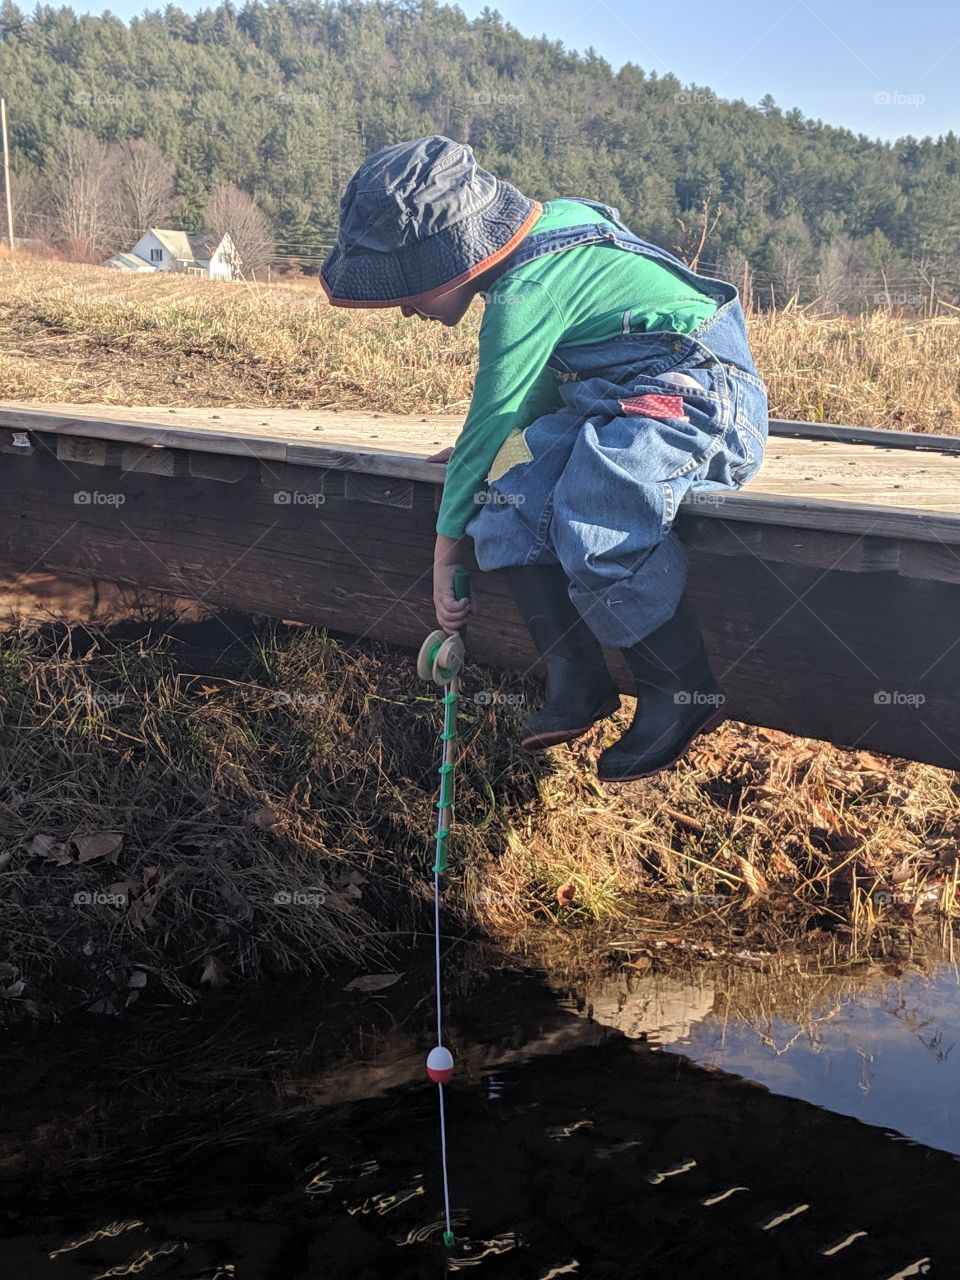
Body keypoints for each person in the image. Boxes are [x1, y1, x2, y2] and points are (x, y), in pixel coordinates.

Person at [320, 135, 768, 782]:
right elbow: (523, 404)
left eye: (405, 288)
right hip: (605, 401)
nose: (404, 308)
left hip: (696, 396)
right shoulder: (536, 245)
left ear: (451, 258)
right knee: (505, 495)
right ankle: (578, 678)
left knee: (600, 502)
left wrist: (445, 555)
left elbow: (494, 410)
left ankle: (680, 688)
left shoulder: (526, 292)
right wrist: (491, 460)